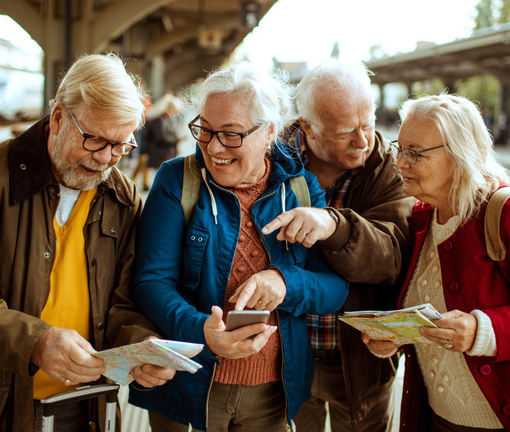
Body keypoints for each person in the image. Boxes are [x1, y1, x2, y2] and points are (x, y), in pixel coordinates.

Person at [0, 54, 176, 431]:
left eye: (120, 146)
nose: (104, 160)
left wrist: (142, 345)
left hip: (84, 403)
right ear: (57, 118)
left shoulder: (123, 195)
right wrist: (36, 342)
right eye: (94, 139)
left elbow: (123, 301)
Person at [128, 62, 349, 431]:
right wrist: (203, 332)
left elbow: (335, 288)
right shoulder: (176, 180)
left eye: (231, 134)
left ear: (269, 133)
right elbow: (151, 284)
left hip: (271, 395)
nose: (213, 147)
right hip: (187, 386)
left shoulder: (300, 190)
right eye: (205, 129)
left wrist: (285, 282)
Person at [363, 93, 510, 431]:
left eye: (415, 153)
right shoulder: (421, 219)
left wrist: (481, 331)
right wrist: (394, 338)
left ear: (460, 155)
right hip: (439, 418)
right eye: (399, 149)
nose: (400, 163)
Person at [261, 59, 413, 431]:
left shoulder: (389, 171)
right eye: (346, 131)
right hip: (284, 354)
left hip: (360, 359)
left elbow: (390, 257)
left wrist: (333, 223)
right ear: (308, 127)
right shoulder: (267, 158)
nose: (362, 141)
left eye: (368, 124)